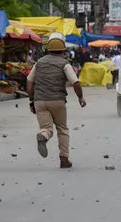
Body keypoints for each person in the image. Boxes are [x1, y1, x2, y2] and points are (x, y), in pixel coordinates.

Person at [27, 38, 86, 169]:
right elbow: (75, 82)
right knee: (62, 129)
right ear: (63, 51)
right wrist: (80, 98)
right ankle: (64, 159)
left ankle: (43, 136)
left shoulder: (39, 63)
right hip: (57, 101)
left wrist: (31, 100)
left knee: (46, 128)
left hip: (40, 101)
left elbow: (29, 82)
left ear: (48, 50)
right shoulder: (64, 63)